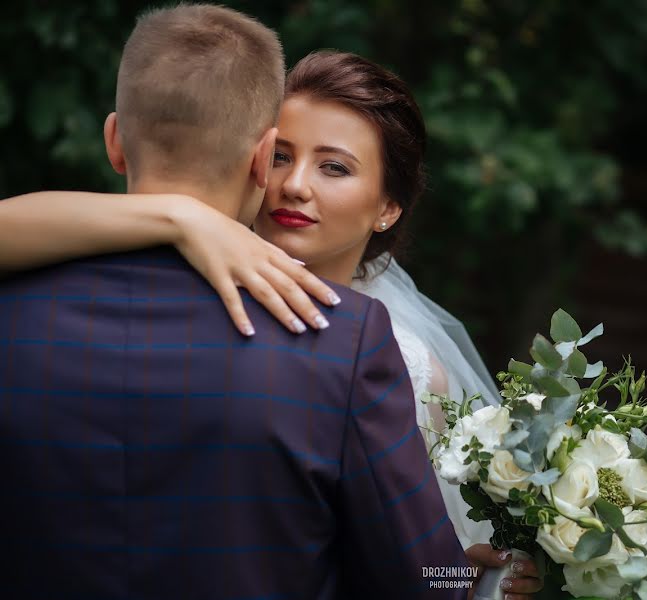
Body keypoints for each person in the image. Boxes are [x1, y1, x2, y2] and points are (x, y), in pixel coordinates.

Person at [0, 6, 474, 599]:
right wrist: (472, 576)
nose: (297, 184)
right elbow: (424, 580)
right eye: (284, 157)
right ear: (261, 156)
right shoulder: (341, 343)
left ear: (115, 140)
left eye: (334, 167)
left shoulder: (13, 308)